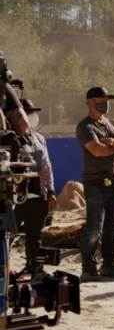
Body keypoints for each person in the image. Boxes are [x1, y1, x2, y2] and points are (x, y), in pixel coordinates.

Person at [76, 86, 114, 282]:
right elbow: (97, 151)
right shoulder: (85, 127)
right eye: (101, 99)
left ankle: (109, 264)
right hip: (96, 183)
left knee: (112, 228)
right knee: (94, 228)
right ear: (90, 102)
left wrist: (110, 141)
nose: (106, 103)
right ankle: (88, 268)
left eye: (107, 99)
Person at [5, 99, 56, 274]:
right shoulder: (8, 138)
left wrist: (51, 191)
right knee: (7, 234)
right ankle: (5, 267)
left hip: (38, 197)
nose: (32, 117)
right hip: (16, 197)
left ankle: (35, 267)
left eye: (33, 113)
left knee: (35, 235)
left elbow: (47, 165)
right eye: (28, 113)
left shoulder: (39, 138)